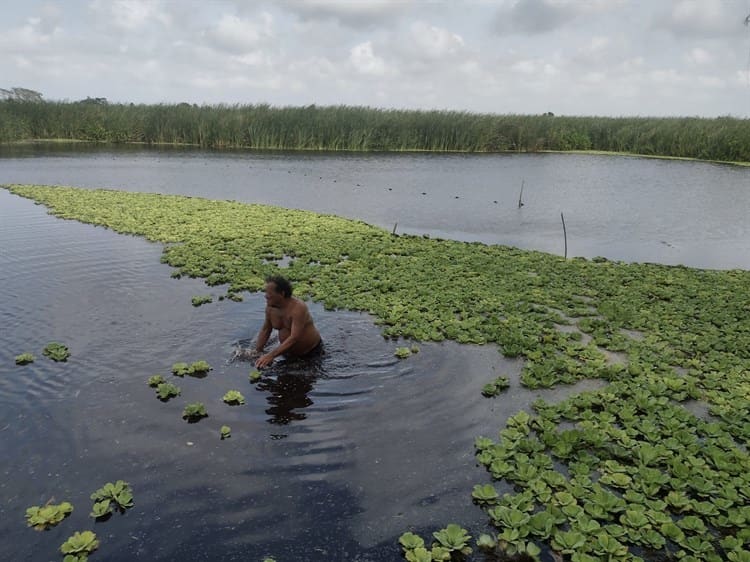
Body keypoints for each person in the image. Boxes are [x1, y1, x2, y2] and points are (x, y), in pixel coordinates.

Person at [253, 275, 323, 368]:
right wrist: (257, 351)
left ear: (282, 293)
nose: (266, 296)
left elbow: (294, 337)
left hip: (310, 353)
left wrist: (271, 355)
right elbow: (266, 330)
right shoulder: (270, 307)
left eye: (270, 294)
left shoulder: (298, 309)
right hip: (286, 352)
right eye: (266, 293)